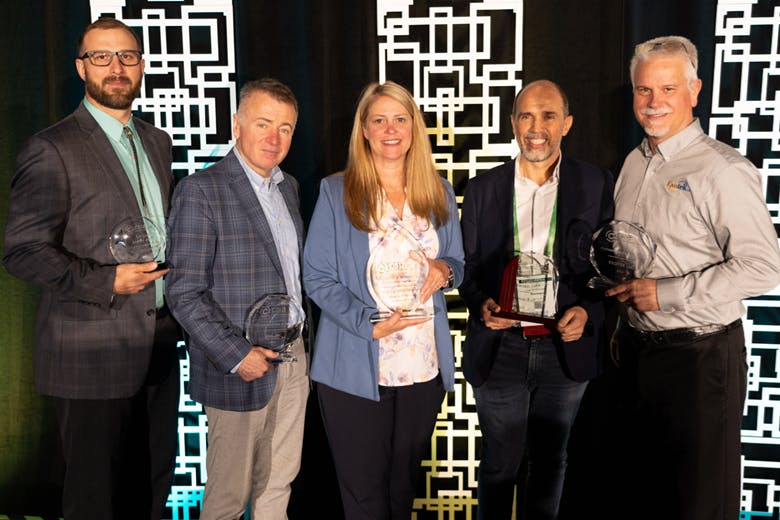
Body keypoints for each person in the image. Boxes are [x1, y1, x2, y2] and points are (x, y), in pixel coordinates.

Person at [3, 17, 179, 520]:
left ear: (141, 66)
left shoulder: (158, 141)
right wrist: (108, 281)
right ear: (82, 67)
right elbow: (22, 250)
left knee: (151, 492)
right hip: (90, 352)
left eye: (127, 56)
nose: (116, 67)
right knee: (94, 501)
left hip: (159, 346)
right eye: (101, 57)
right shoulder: (52, 148)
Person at [606, 35, 780, 520]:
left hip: (701, 360)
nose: (654, 102)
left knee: (701, 504)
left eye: (668, 89)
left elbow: (764, 266)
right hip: (636, 354)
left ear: (694, 90)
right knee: (646, 499)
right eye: (644, 90)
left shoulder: (722, 169)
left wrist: (665, 293)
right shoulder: (633, 162)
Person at [303, 80, 464, 519]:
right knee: (365, 499)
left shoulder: (439, 191)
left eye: (400, 119)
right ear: (364, 130)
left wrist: (444, 270)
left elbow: (457, 262)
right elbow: (316, 276)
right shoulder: (336, 192)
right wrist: (368, 323)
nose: (391, 129)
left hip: (422, 367)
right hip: (355, 364)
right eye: (379, 120)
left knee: (403, 490)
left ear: (414, 127)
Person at [459, 80, 614, 520]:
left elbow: (609, 266)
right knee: (498, 465)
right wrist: (481, 304)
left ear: (567, 123)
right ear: (512, 123)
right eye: (526, 115)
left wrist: (588, 310)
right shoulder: (483, 188)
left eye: (548, 115)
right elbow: (466, 268)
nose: (536, 127)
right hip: (501, 347)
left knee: (550, 462)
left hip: (563, 349)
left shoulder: (595, 183)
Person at [165, 78, 308, 520]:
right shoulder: (200, 190)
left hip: (294, 359)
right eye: (263, 123)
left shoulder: (289, 187)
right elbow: (183, 292)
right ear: (236, 125)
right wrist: (236, 355)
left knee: (278, 484)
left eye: (285, 128)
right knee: (228, 498)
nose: (274, 138)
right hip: (239, 366)